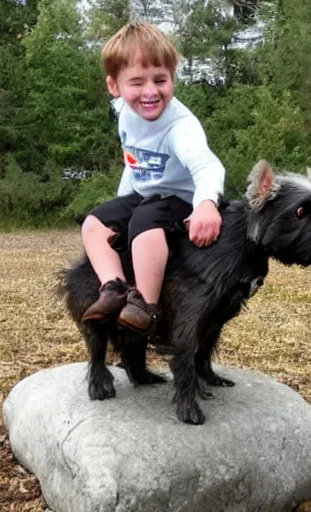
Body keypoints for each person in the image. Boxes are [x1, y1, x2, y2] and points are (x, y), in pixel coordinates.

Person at [80, 20, 225, 334]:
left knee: (144, 221)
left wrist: (206, 205)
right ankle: (113, 288)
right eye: (137, 82)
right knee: (94, 223)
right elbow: (133, 164)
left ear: (173, 78)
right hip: (147, 195)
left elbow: (208, 168)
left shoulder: (180, 127)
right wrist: (117, 209)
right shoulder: (124, 113)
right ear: (114, 86)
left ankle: (145, 306)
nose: (150, 91)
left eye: (160, 80)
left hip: (183, 199)